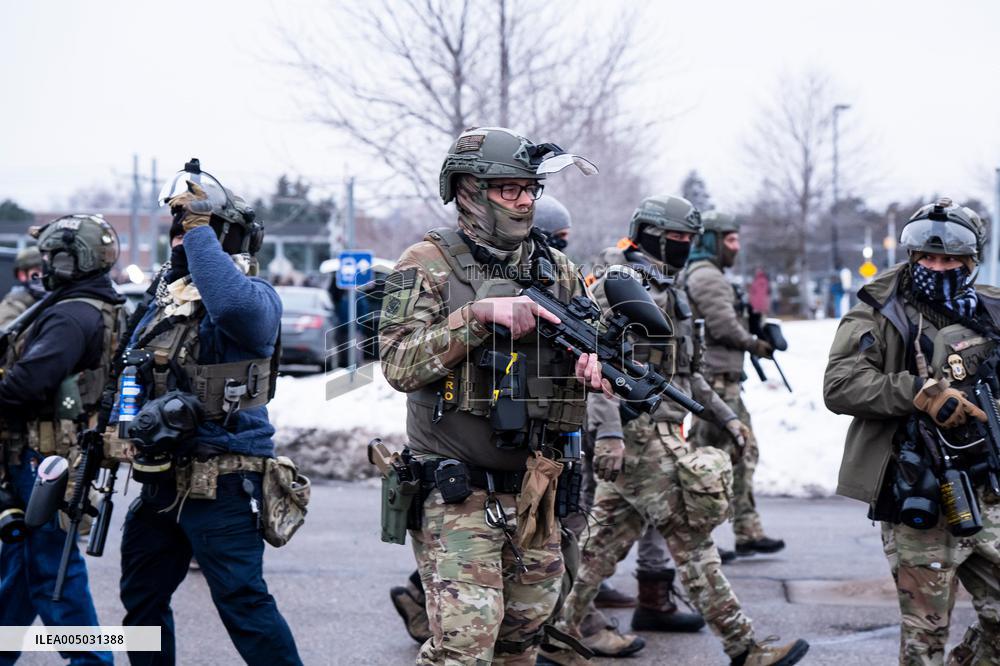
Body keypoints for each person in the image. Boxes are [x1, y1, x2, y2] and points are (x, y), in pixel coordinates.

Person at [544, 194, 808, 666]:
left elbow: (688, 375)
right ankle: (744, 648)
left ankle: (558, 637)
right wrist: (608, 434)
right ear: (650, 235)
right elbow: (592, 362)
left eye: (690, 238)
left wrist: (725, 419)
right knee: (693, 542)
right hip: (637, 433)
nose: (685, 246)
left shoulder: (674, 290)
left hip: (662, 431)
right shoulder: (618, 285)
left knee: (600, 548)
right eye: (676, 239)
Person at [378, 126, 601, 665]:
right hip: (456, 494)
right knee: (464, 650)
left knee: (521, 642)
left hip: (536, 488)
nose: (525, 200)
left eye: (530, 188)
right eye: (508, 188)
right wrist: (475, 318)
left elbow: (592, 340)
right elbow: (399, 364)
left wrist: (600, 366)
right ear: (467, 190)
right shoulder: (425, 263)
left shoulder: (555, 268)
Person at [115, 159, 301, 666]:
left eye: (190, 232)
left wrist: (201, 233)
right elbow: (130, 373)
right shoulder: (166, 303)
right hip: (160, 482)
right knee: (141, 603)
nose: (179, 241)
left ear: (225, 238)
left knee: (244, 605)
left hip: (222, 483)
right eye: (175, 233)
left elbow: (237, 312)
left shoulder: (254, 296)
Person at [824, 197, 1000, 665]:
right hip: (918, 483)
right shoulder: (878, 309)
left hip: (987, 483)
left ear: (970, 261)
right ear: (911, 257)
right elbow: (841, 385)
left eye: (949, 260)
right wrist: (921, 392)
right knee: (926, 637)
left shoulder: (991, 309)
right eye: (927, 258)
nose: (937, 267)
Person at [0, 215, 124, 666]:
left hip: (45, 457)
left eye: (52, 257)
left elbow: (25, 386)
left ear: (73, 260)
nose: (45, 265)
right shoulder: (89, 305)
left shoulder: (73, 314)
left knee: (55, 574)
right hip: (49, 453)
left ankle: (93, 661)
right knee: (20, 568)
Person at [685, 211, 785, 557]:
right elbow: (723, 326)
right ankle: (701, 539)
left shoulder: (712, 276)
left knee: (740, 455)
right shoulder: (707, 278)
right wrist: (755, 343)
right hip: (712, 383)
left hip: (723, 380)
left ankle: (746, 530)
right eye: (730, 240)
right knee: (708, 462)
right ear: (711, 240)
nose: (736, 247)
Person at [0, 246, 45, 327]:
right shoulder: (14, 303)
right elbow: (6, 332)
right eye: (37, 271)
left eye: (46, 270)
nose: (43, 276)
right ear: (22, 275)